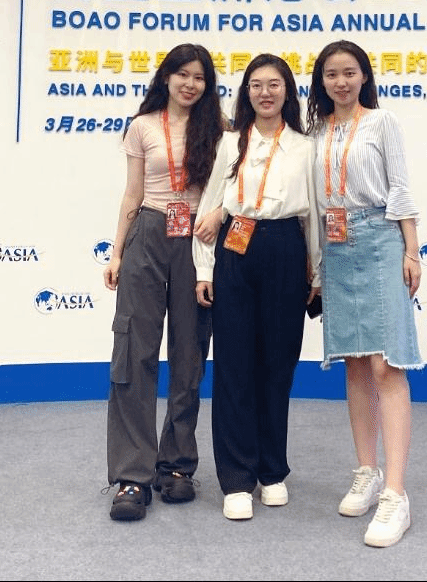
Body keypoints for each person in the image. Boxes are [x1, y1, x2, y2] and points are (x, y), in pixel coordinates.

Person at [306, 39, 423, 548]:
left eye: (350, 72)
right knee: (355, 363)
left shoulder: (382, 122)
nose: (341, 82)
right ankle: (367, 472)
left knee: (385, 365)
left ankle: (396, 493)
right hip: (335, 248)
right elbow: (312, 202)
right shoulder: (314, 132)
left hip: (378, 239)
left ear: (364, 77)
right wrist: (315, 266)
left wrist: (412, 250)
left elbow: (400, 188)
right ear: (321, 81)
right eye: (331, 74)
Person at [102, 42, 226, 522]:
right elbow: (131, 193)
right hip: (149, 232)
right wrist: (117, 251)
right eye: (182, 74)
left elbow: (231, 189)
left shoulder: (220, 128)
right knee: (134, 352)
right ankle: (132, 476)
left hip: (199, 239)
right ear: (167, 77)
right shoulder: (143, 126)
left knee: (190, 354)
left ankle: (176, 465)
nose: (190, 84)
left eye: (199, 77)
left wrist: (216, 216)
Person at [194, 53, 320, 521]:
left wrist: (317, 273)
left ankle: (271, 471)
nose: (265, 93)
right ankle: (236, 478)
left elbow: (314, 216)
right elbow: (211, 206)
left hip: (286, 248)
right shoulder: (231, 143)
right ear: (246, 93)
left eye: (274, 84)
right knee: (234, 365)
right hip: (236, 248)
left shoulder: (305, 147)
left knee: (278, 364)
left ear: (288, 91)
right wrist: (204, 269)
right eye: (256, 85)